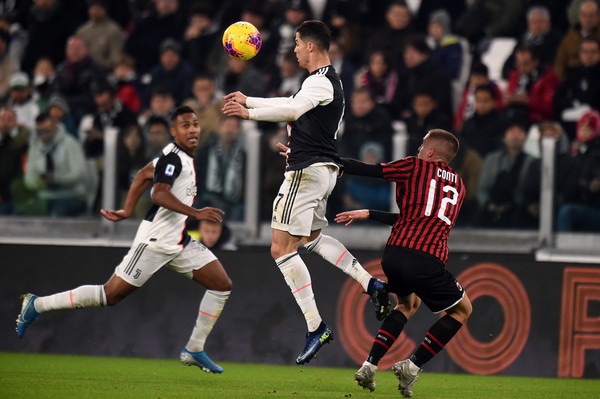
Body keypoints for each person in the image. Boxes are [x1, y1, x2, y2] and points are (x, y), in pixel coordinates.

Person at [222, 20, 390, 365]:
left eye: (297, 43)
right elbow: (295, 104)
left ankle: (316, 326)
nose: (295, 49)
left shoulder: (321, 81)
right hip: (321, 169)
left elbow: (293, 109)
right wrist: (250, 97)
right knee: (312, 238)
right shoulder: (324, 82)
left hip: (306, 173)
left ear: (311, 46)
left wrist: (248, 112)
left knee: (280, 248)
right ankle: (371, 285)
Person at [16, 105, 232, 374]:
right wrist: (195, 212)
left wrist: (128, 210)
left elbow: (143, 174)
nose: (193, 130)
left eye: (195, 124)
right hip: (154, 241)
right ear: (173, 131)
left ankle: (194, 349)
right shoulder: (173, 159)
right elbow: (158, 194)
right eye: (185, 126)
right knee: (110, 295)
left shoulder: (178, 157)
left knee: (222, 284)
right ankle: (37, 304)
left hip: (178, 240)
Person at [333, 129, 472, 397]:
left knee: (408, 304)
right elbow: (422, 219)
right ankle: (412, 366)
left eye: (422, 146)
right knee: (462, 310)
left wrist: (329, 161)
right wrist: (370, 213)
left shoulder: (414, 166)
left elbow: (371, 170)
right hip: (426, 258)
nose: (419, 149)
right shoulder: (459, 186)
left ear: (431, 151)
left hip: (394, 254)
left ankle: (369, 366)